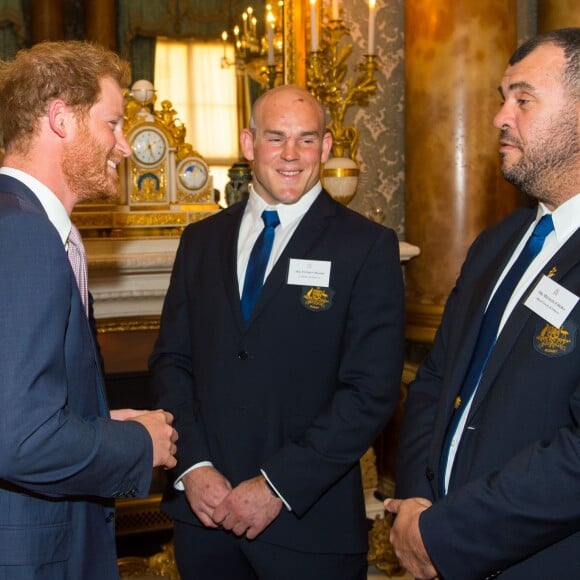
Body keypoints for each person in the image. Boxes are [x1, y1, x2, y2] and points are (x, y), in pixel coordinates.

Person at [149, 84, 405, 580]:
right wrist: (193, 467)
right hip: (205, 519)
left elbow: (370, 391)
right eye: (275, 138)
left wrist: (276, 485)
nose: (291, 155)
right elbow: (171, 361)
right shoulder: (200, 241)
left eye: (307, 140)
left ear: (326, 148)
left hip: (308, 527)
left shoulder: (367, 247)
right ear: (248, 144)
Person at [385, 28, 580, 580]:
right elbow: (436, 377)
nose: (499, 117)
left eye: (522, 98)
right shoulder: (497, 243)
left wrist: (448, 534)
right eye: (501, 98)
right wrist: (417, 504)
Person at [0, 41, 178, 579]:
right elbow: (21, 439)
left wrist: (94, 423)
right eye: (112, 124)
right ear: (60, 119)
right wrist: (135, 443)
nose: (124, 146)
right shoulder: (25, 233)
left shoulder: (26, 222)